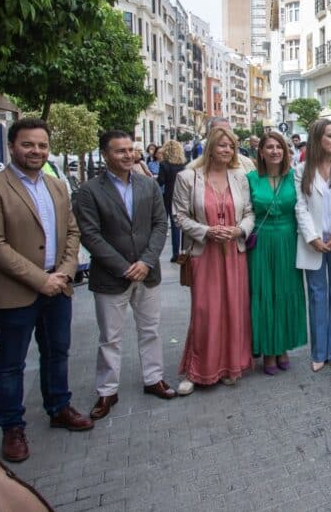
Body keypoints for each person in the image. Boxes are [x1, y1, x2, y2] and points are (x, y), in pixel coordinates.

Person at [0, 117, 89, 463]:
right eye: (28, 144)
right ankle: (12, 427)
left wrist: (65, 273)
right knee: (11, 362)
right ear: (13, 146)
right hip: (16, 291)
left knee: (58, 351)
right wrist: (42, 279)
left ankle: (59, 406)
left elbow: (71, 233)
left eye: (41, 145)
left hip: (59, 285)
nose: (36, 151)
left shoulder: (55, 186)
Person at [73, 130, 176, 421]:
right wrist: (123, 266)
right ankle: (107, 391)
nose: (129, 155)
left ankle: (153, 378)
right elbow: (90, 235)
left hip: (148, 272)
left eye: (131, 150)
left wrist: (146, 261)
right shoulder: (89, 191)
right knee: (110, 337)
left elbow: (160, 224)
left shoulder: (148, 185)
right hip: (111, 276)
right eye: (121, 151)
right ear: (105, 154)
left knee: (151, 329)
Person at [172, 126, 255, 394]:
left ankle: (231, 366)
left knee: (233, 308)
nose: (226, 150)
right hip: (203, 253)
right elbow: (179, 216)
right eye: (221, 145)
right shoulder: (188, 177)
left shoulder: (240, 177)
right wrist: (207, 231)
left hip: (233, 252)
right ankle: (197, 370)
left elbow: (250, 212)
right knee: (205, 311)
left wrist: (239, 229)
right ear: (210, 147)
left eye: (230, 146)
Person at [247, 132, 307, 375]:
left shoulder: (295, 177)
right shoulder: (250, 178)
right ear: (261, 152)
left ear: (285, 151)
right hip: (261, 243)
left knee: (285, 292)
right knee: (263, 294)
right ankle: (268, 351)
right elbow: (245, 211)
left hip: (288, 240)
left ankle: (283, 347)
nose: (274, 151)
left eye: (278, 147)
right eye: (269, 147)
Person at [295, 119, 331, 371]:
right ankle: (319, 352)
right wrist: (312, 238)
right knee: (317, 297)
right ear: (318, 138)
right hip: (314, 244)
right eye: (329, 135)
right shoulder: (301, 170)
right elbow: (300, 207)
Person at [188, 118, 256, 173]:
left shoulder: (246, 163)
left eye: (228, 132)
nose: (225, 135)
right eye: (219, 132)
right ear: (208, 137)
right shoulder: (192, 170)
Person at [157, 139, 187, 257]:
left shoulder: (164, 164)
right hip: (182, 196)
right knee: (180, 225)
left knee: (164, 224)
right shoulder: (184, 164)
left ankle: (174, 253)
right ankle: (181, 251)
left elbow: (161, 181)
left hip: (169, 196)